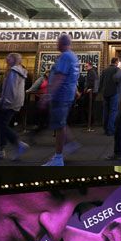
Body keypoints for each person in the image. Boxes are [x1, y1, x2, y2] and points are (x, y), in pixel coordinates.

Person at [43, 33, 81, 166]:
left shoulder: (65, 56)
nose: (55, 44)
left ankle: (58, 158)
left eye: (57, 42)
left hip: (61, 95)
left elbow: (59, 76)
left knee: (59, 126)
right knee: (61, 123)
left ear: (62, 43)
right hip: (68, 95)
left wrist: (48, 95)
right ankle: (70, 144)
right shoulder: (73, 56)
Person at [0, 53, 29, 160]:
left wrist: (6, 102)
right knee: (2, 125)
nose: (6, 59)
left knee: (1, 125)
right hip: (16, 101)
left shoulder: (14, 71)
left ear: (14, 59)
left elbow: (11, 88)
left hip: (10, 102)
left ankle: (18, 144)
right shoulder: (19, 70)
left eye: (8, 58)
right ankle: (0, 150)